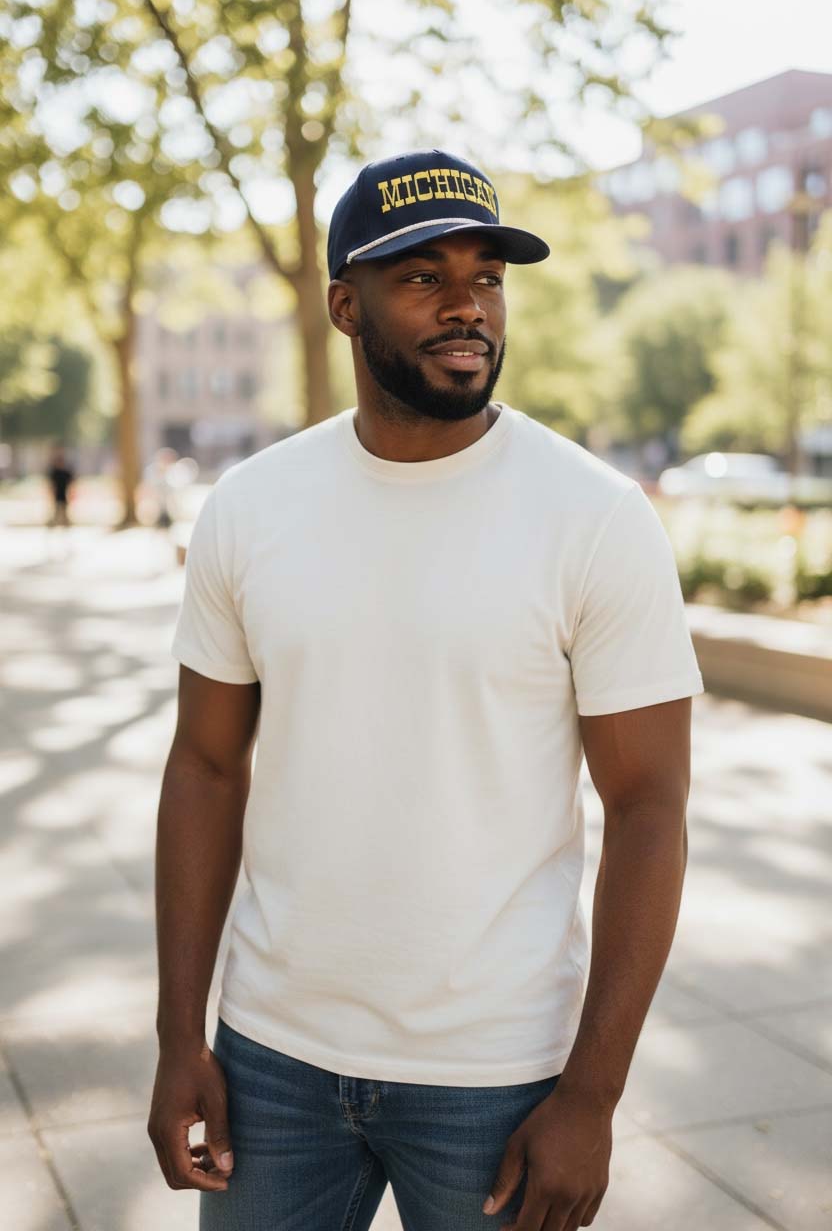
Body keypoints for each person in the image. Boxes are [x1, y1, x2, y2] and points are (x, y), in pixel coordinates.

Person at [148, 149, 705, 1231]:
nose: (468, 306)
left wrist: (592, 1095)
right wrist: (180, 1036)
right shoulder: (250, 509)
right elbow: (205, 767)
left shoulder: (594, 517)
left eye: (486, 276)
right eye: (422, 277)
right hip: (271, 1059)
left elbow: (650, 806)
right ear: (344, 307)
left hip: (497, 1076)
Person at [46, 447, 74, 526]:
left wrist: (71, 494)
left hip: (64, 495)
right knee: (56, 512)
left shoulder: (66, 473)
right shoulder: (54, 473)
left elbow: (71, 485)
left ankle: (64, 523)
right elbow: (51, 485)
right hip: (57, 496)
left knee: (64, 513)